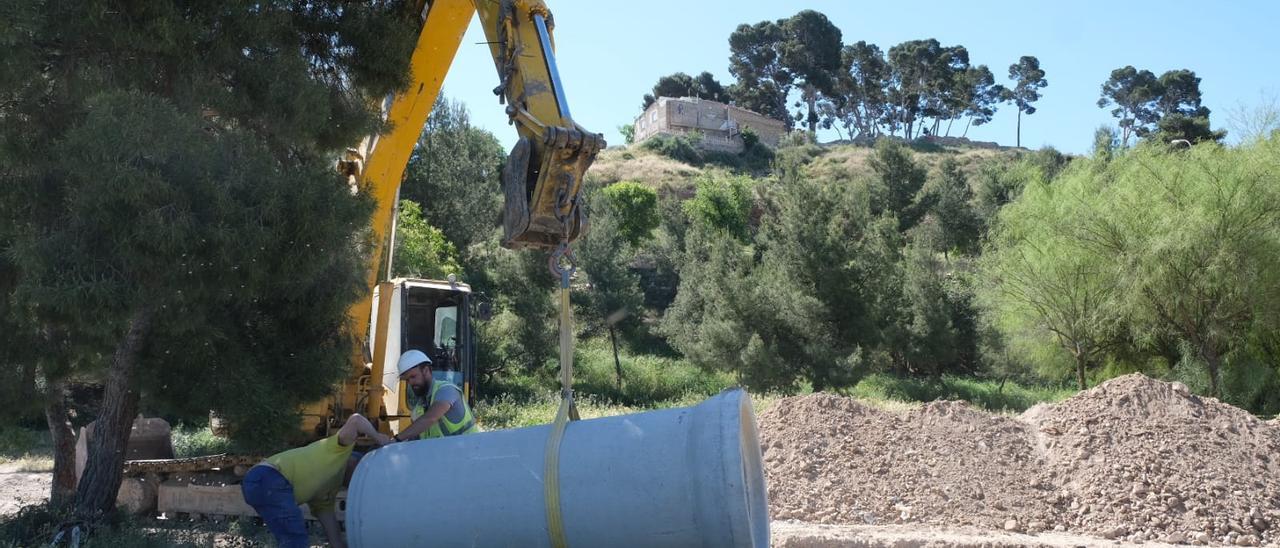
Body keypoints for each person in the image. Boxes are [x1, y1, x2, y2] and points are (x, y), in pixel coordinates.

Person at [241, 413, 390, 548]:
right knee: (295, 538)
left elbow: (336, 541)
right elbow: (356, 420)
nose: (358, 482)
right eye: (361, 473)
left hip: (260, 485)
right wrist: (379, 438)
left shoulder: (325, 499)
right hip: (267, 475)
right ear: (353, 462)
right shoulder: (338, 450)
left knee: (291, 538)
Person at [392, 349, 475, 441]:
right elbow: (415, 438)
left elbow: (430, 418)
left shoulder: (446, 390)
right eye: (407, 379)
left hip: (471, 451)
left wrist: (397, 439)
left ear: (426, 370)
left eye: (413, 377)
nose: (410, 382)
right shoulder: (419, 409)